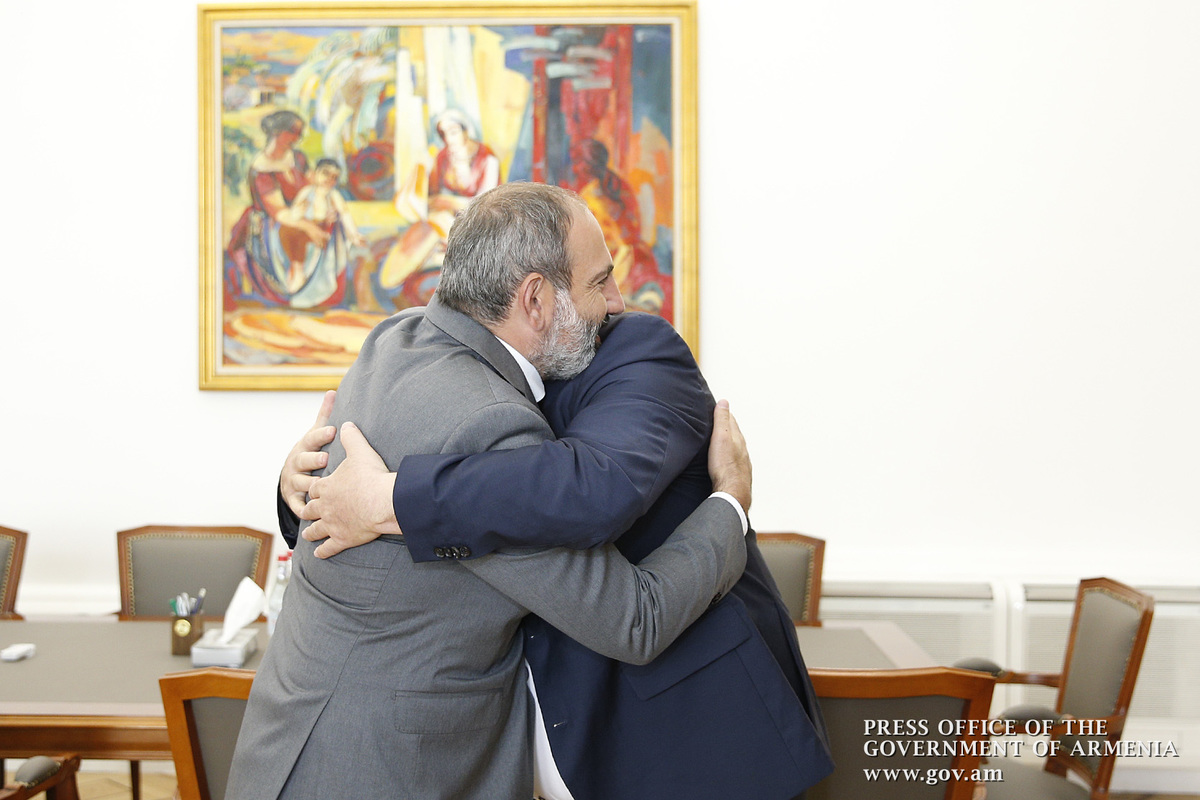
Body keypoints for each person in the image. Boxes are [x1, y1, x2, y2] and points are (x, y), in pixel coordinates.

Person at [225, 182, 752, 800]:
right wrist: (731, 501)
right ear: (535, 299)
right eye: (599, 282)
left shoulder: (395, 338)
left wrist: (292, 486)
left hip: (282, 743)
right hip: (383, 771)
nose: (616, 302)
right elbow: (634, 619)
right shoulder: (490, 426)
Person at [225, 110, 349, 309]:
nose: (298, 138)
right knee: (296, 233)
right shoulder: (262, 171)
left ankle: (325, 289)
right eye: (294, 132)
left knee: (335, 223)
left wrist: (328, 207)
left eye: (300, 133)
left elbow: (315, 185)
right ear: (278, 132)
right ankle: (297, 280)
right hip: (274, 224)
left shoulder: (297, 158)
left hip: (301, 214)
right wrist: (309, 226)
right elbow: (280, 213)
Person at [277, 158, 366, 307]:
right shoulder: (307, 192)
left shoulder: (333, 195)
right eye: (325, 174)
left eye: (334, 177)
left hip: (326, 233)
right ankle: (298, 273)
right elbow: (294, 214)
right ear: (315, 173)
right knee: (288, 234)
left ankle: (312, 288)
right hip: (306, 229)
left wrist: (354, 234)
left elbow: (345, 214)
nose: (329, 180)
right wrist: (299, 213)